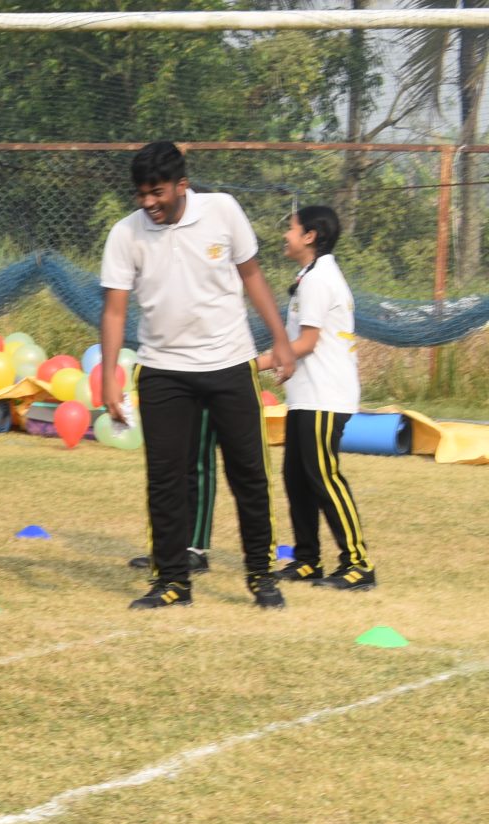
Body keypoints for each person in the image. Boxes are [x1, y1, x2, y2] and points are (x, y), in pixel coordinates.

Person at [99, 140, 295, 611]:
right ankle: (172, 583)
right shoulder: (125, 235)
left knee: (248, 473)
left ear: (181, 184)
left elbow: (252, 276)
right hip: (163, 371)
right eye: (141, 194)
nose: (149, 203)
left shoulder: (223, 210)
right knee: (166, 479)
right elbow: (113, 311)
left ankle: (262, 577)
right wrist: (109, 376)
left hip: (231, 363)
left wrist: (281, 338)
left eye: (157, 192)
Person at [266, 204, 373, 591]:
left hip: (325, 397)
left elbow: (307, 342)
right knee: (297, 479)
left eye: (291, 228)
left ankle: (358, 564)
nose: (285, 235)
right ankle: (308, 560)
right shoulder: (311, 275)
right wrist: (285, 366)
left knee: (324, 477)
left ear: (310, 236)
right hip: (307, 395)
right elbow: (306, 342)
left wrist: (255, 363)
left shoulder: (318, 279)